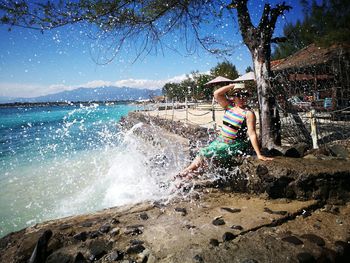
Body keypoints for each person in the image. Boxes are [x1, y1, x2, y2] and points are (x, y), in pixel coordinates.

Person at [177, 83, 273, 181]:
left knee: (204, 153)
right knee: (205, 165)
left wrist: (259, 154)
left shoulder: (248, 113)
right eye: (238, 95)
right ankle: (181, 182)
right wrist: (232, 85)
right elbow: (216, 93)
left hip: (234, 144)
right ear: (233, 97)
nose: (242, 98)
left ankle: (184, 172)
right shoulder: (229, 106)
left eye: (245, 95)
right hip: (220, 141)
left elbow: (252, 134)